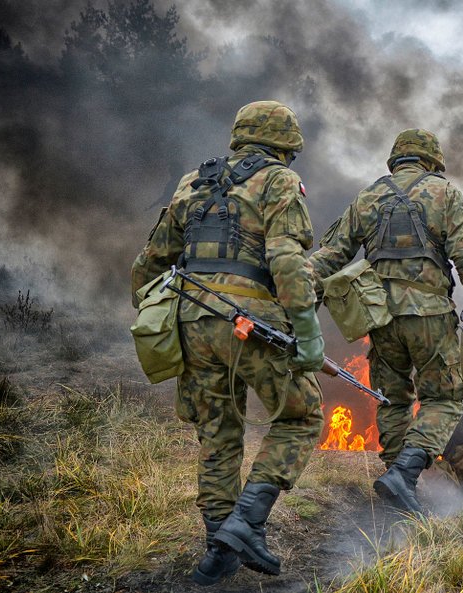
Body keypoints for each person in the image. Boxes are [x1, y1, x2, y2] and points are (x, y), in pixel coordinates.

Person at [131, 101, 325, 584]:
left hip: (192, 319)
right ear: (286, 143)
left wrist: (158, 314)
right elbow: (286, 259)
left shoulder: (192, 181)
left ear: (240, 136)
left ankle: (217, 552)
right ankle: (245, 523)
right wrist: (308, 331)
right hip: (250, 320)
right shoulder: (279, 180)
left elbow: (150, 262)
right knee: (301, 415)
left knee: (217, 433)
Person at [308, 128, 463, 514]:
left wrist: (295, 294)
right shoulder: (445, 193)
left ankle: (396, 481)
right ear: (433, 161)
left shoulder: (369, 196)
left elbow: (330, 255)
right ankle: (404, 476)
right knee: (444, 397)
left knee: (392, 400)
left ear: (396, 160)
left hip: (377, 316)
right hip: (429, 315)